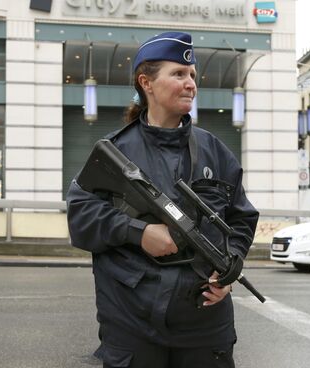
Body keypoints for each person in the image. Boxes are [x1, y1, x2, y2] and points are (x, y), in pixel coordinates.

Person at [66, 31, 259, 368]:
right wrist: (136, 232)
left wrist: (228, 269)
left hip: (205, 324)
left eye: (193, 76)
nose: (190, 84)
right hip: (132, 322)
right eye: (179, 74)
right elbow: (81, 218)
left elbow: (241, 219)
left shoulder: (215, 151)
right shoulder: (114, 152)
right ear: (147, 83)